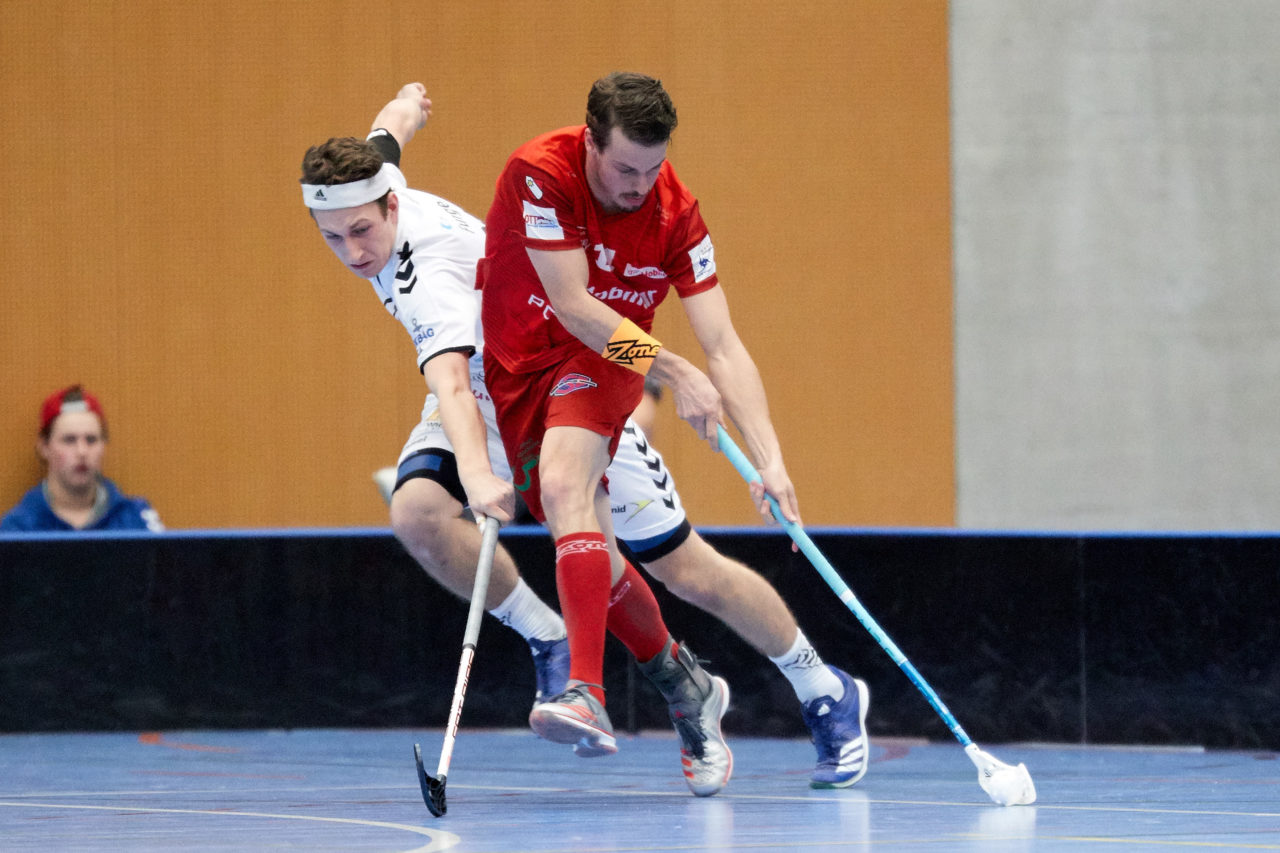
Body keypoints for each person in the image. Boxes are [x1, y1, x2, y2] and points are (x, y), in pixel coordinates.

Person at [301, 82, 867, 798]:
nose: (353, 251)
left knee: (685, 570)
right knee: (420, 513)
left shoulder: (430, 283)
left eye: (362, 232)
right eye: (334, 238)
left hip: (562, 375)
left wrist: (767, 457)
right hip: (494, 386)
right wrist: (408, 104)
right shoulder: (384, 188)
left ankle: (820, 684)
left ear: (391, 205)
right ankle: (554, 640)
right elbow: (386, 134)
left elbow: (482, 368)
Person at [478, 71, 870, 793]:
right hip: (521, 373)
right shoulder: (541, 173)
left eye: (652, 169)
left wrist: (772, 461)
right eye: (625, 169)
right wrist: (674, 368)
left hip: (605, 364)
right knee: (624, 561)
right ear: (590, 142)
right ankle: (696, 689)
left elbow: (723, 344)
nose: (639, 186)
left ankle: (590, 691)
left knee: (570, 489)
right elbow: (572, 303)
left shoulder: (675, 213)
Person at [1, 385, 164, 532]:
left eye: (91, 440)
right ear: (44, 447)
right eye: (69, 440)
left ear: (103, 445)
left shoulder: (137, 520)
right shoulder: (16, 529)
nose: (82, 451)